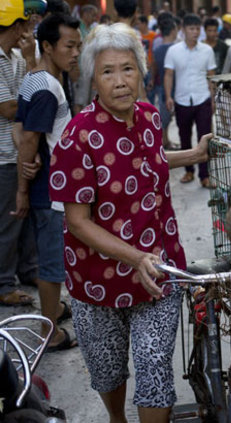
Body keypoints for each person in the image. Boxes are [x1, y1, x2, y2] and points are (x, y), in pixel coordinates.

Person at [48, 23, 211, 423]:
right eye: (108, 72)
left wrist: (193, 155)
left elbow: (150, 159)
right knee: (107, 369)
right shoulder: (78, 136)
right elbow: (78, 221)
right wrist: (134, 256)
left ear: (142, 73)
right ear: (93, 81)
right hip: (97, 277)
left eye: (128, 69)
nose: (120, 81)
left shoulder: (150, 116)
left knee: (155, 368)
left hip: (158, 269)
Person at [14, 13, 81, 350]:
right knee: (53, 266)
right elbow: (28, 137)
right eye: (69, 47)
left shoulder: (35, 78)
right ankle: (49, 333)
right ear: (48, 46)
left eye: (78, 46)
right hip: (52, 191)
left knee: (52, 260)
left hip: (50, 186)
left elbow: (19, 127)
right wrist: (23, 189)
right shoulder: (46, 89)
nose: (75, 53)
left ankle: (52, 313)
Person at [0, 0, 42, 306]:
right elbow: (10, 108)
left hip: (20, 150)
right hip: (3, 155)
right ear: (15, 26)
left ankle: (28, 271)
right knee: (10, 221)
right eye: (26, 25)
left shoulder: (15, 56)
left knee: (25, 219)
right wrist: (31, 67)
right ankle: (4, 284)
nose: (29, 31)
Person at [164, 13, 215, 187]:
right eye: (191, 29)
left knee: (204, 137)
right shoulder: (173, 51)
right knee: (184, 137)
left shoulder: (207, 50)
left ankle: (205, 175)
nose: (195, 32)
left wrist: (213, 98)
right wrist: (168, 95)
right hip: (182, 100)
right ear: (183, 30)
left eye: (197, 29)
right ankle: (188, 171)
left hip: (203, 99)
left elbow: (211, 76)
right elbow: (169, 74)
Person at [152, 17, 178, 149]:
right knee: (168, 118)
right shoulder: (177, 48)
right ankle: (165, 141)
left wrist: (152, 81)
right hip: (176, 87)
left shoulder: (157, 50)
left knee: (165, 117)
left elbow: (154, 68)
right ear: (173, 30)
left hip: (162, 87)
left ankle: (165, 140)